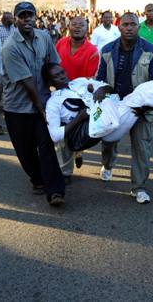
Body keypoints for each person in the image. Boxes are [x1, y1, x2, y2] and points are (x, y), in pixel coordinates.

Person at [0, 1, 66, 206]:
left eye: (30, 15)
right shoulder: (10, 47)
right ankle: (37, 179)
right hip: (17, 107)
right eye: (22, 16)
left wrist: (64, 94)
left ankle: (55, 191)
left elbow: (53, 66)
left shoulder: (44, 37)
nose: (27, 19)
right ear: (15, 19)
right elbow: (28, 83)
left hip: (43, 102)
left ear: (35, 17)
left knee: (46, 146)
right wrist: (41, 109)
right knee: (25, 150)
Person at [97, 12, 153, 204]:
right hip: (114, 105)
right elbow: (100, 78)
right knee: (108, 141)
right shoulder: (107, 49)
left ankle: (139, 187)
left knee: (142, 147)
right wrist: (101, 93)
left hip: (140, 108)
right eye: (125, 24)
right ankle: (107, 165)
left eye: (133, 24)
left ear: (138, 27)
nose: (129, 28)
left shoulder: (150, 49)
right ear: (119, 27)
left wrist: (147, 105)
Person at [44, 63, 153, 149]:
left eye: (62, 72)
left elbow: (108, 87)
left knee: (142, 90)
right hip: (97, 130)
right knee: (140, 97)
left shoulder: (79, 82)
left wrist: (101, 90)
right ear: (50, 83)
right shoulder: (53, 103)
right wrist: (79, 118)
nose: (62, 76)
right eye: (57, 76)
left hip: (112, 113)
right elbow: (55, 136)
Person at [54, 16, 99, 182]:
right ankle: (66, 171)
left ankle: (77, 153)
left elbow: (89, 81)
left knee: (75, 132)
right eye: (74, 24)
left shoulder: (92, 51)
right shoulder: (60, 44)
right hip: (59, 95)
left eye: (82, 25)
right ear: (69, 27)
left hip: (79, 98)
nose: (77, 27)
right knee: (63, 136)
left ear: (87, 28)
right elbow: (53, 66)